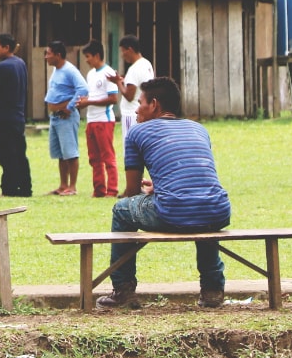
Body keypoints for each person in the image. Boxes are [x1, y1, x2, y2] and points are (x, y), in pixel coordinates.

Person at [97, 77, 231, 310]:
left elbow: (130, 191)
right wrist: (158, 188)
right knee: (202, 208)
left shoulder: (137, 132)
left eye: (140, 103)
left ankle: (123, 291)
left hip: (172, 211)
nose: (137, 109)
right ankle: (212, 290)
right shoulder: (198, 128)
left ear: (154, 104)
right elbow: (194, 177)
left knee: (120, 210)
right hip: (218, 209)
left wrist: (146, 193)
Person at [44, 40, 88, 196]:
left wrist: (69, 107)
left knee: (70, 152)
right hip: (55, 117)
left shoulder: (70, 70)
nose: (46, 57)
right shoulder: (57, 70)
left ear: (58, 55)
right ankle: (63, 185)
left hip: (66, 118)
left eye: (49, 53)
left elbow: (83, 88)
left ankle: (73, 186)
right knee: (61, 153)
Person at [0, 33, 32, 197]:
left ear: (6, 48)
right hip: (18, 115)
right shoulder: (20, 63)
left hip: (5, 116)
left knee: (5, 154)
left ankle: (9, 188)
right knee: (19, 153)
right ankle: (25, 187)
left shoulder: (4, 66)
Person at [80, 40, 120, 199]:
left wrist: (88, 102)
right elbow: (93, 96)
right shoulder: (90, 74)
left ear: (97, 55)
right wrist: (83, 102)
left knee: (107, 156)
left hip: (104, 120)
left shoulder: (108, 73)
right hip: (91, 120)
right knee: (94, 158)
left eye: (88, 56)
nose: (86, 60)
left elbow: (113, 99)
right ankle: (99, 190)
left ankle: (112, 190)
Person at [115, 35, 155, 161]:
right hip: (143, 113)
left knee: (131, 152)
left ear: (130, 49)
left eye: (123, 51)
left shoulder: (134, 69)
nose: (122, 55)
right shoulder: (146, 63)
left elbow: (129, 95)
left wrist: (118, 83)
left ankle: (133, 180)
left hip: (131, 115)